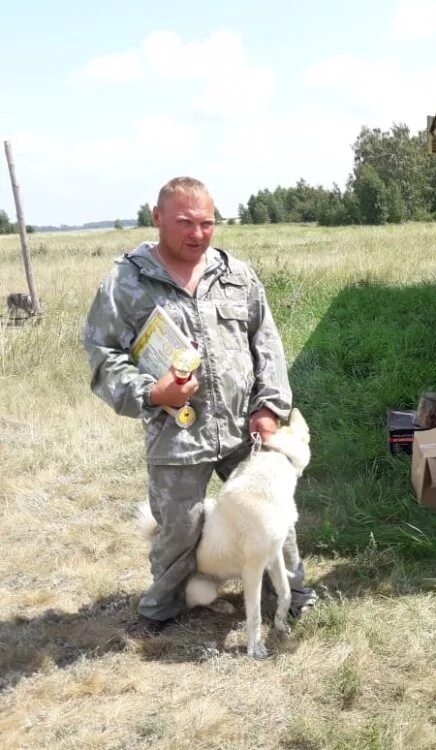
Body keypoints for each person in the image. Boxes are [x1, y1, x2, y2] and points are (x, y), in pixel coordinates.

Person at [82, 176, 317, 636]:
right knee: (178, 530)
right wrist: (152, 394)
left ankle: (292, 598)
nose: (197, 234)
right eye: (184, 222)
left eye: (207, 223)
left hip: (243, 431)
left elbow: (267, 345)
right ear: (157, 219)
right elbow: (101, 354)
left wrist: (268, 407)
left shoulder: (237, 275)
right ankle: (164, 609)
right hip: (176, 432)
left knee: (272, 517)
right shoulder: (126, 282)